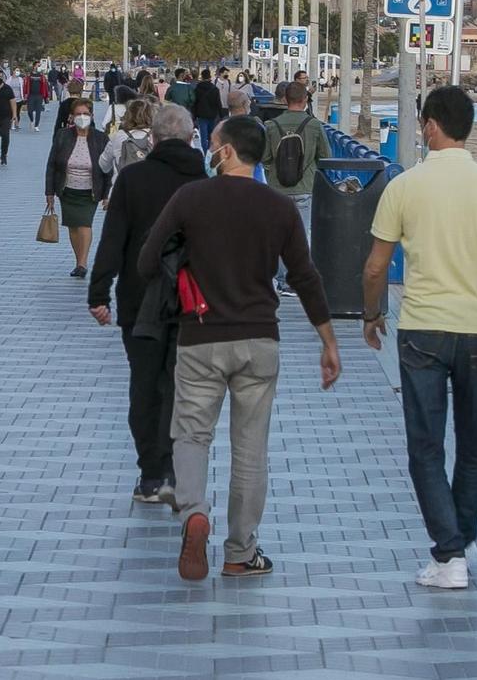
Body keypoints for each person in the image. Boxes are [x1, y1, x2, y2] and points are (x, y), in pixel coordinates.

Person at [139, 115, 341, 581]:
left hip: (201, 337)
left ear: (227, 151)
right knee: (250, 450)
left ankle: (194, 511)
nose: (208, 148)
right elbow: (305, 277)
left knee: (191, 434)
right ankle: (240, 551)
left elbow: (148, 258)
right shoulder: (279, 209)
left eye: (212, 143)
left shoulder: (190, 198)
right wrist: (328, 341)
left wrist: (183, 267)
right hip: (258, 340)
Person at [361, 87, 477, 590]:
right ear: (470, 126)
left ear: (430, 125)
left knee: (426, 446)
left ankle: (449, 553)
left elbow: (375, 266)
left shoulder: (403, 186)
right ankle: (461, 539)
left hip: (422, 330)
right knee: (474, 440)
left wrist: (372, 315)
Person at [87, 103, 206, 505]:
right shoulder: (204, 182)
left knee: (144, 386)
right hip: (191, 303)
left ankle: (150, 475)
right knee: (180, 386)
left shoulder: (133, 179)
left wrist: (99, 292)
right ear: (192, 138)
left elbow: (113, 238)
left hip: (139, 300)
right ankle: (175, 470)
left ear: (152, 139)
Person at [261, 82, 323, 291]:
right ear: (305, 100)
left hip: (277, 188)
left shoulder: (271, 125)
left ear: (285, 100)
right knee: (302, 234)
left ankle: (280, 280)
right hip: (305, 186)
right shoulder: (314, 125)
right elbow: (326, 156)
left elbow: (266, 157)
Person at [45, 97, 111, 279]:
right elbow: (51, 165)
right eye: (78, 114)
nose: (82, 117)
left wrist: (106, 194)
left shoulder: (100, 138)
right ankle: (78, 261)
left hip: (90, 190)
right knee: (73, 226)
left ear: (91, 115)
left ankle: (82, 263)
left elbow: (107, 169)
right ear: (72, 117)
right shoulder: (63, 136)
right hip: (67, 190)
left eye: (86, 114)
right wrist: (49, 192)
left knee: (84, 224)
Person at [100, 98, 155, 177]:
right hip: (150, 186)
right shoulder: (158, 137)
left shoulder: (118, 136)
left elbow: (103, 165)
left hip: (123, 186)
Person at [190, 66, 225, 149]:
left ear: (202, 77)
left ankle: (205, 154)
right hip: (212, 115)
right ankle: (211, 152)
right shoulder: (215, 89)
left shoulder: (197, 88)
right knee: (211, 136)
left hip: (201, 115)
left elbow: (195, 103)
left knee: (203, 136)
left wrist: (194, 116)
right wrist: (221, 115)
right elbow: (218, 103)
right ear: (210, 77)